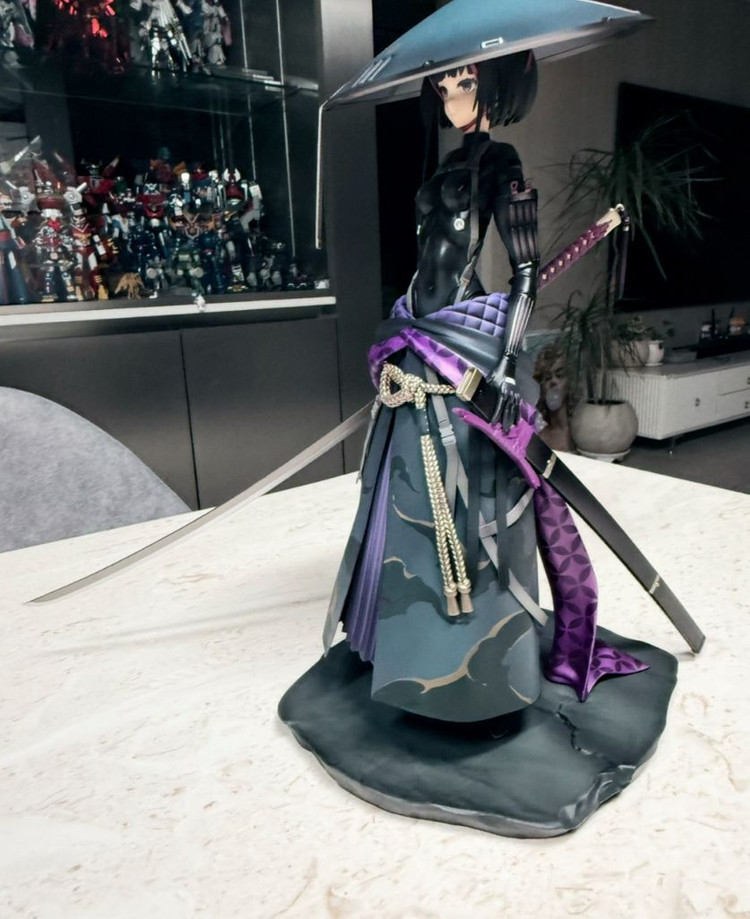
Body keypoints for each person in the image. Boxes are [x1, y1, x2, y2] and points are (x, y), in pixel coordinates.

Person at [321, 52, 645, 723]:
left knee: (472, 497)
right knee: (404, 485)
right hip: (418, 330)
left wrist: (504, 362)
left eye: (464, 81)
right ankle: (400, 643)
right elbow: (427, 258)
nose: (450, 94)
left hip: (469, 345)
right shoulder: (443, 166)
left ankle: (477, 661)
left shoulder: (502, 164)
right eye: (443, 83)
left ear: (495, 85)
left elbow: (526, 272)